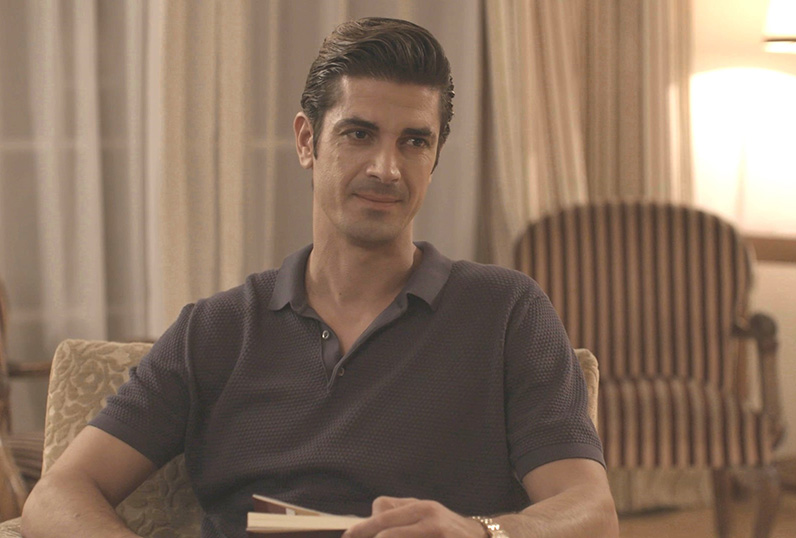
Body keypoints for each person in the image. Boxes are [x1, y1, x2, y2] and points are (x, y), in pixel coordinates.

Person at [21, 17, 618, 538]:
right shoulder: (217, 329)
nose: (386, 168)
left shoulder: (506, 311)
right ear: (307, 141)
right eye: (359, 134)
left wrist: (480, 532)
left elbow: (591, 512)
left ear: (434, 157)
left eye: (414, 142)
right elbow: (56, 496)